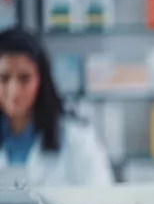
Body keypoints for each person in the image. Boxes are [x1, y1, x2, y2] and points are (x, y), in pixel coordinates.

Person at [0, 28, 113, 187]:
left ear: (41, 80)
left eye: (24, 78)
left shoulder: (76, 139)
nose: (14, 91)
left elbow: (103, 200)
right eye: (3, 78)